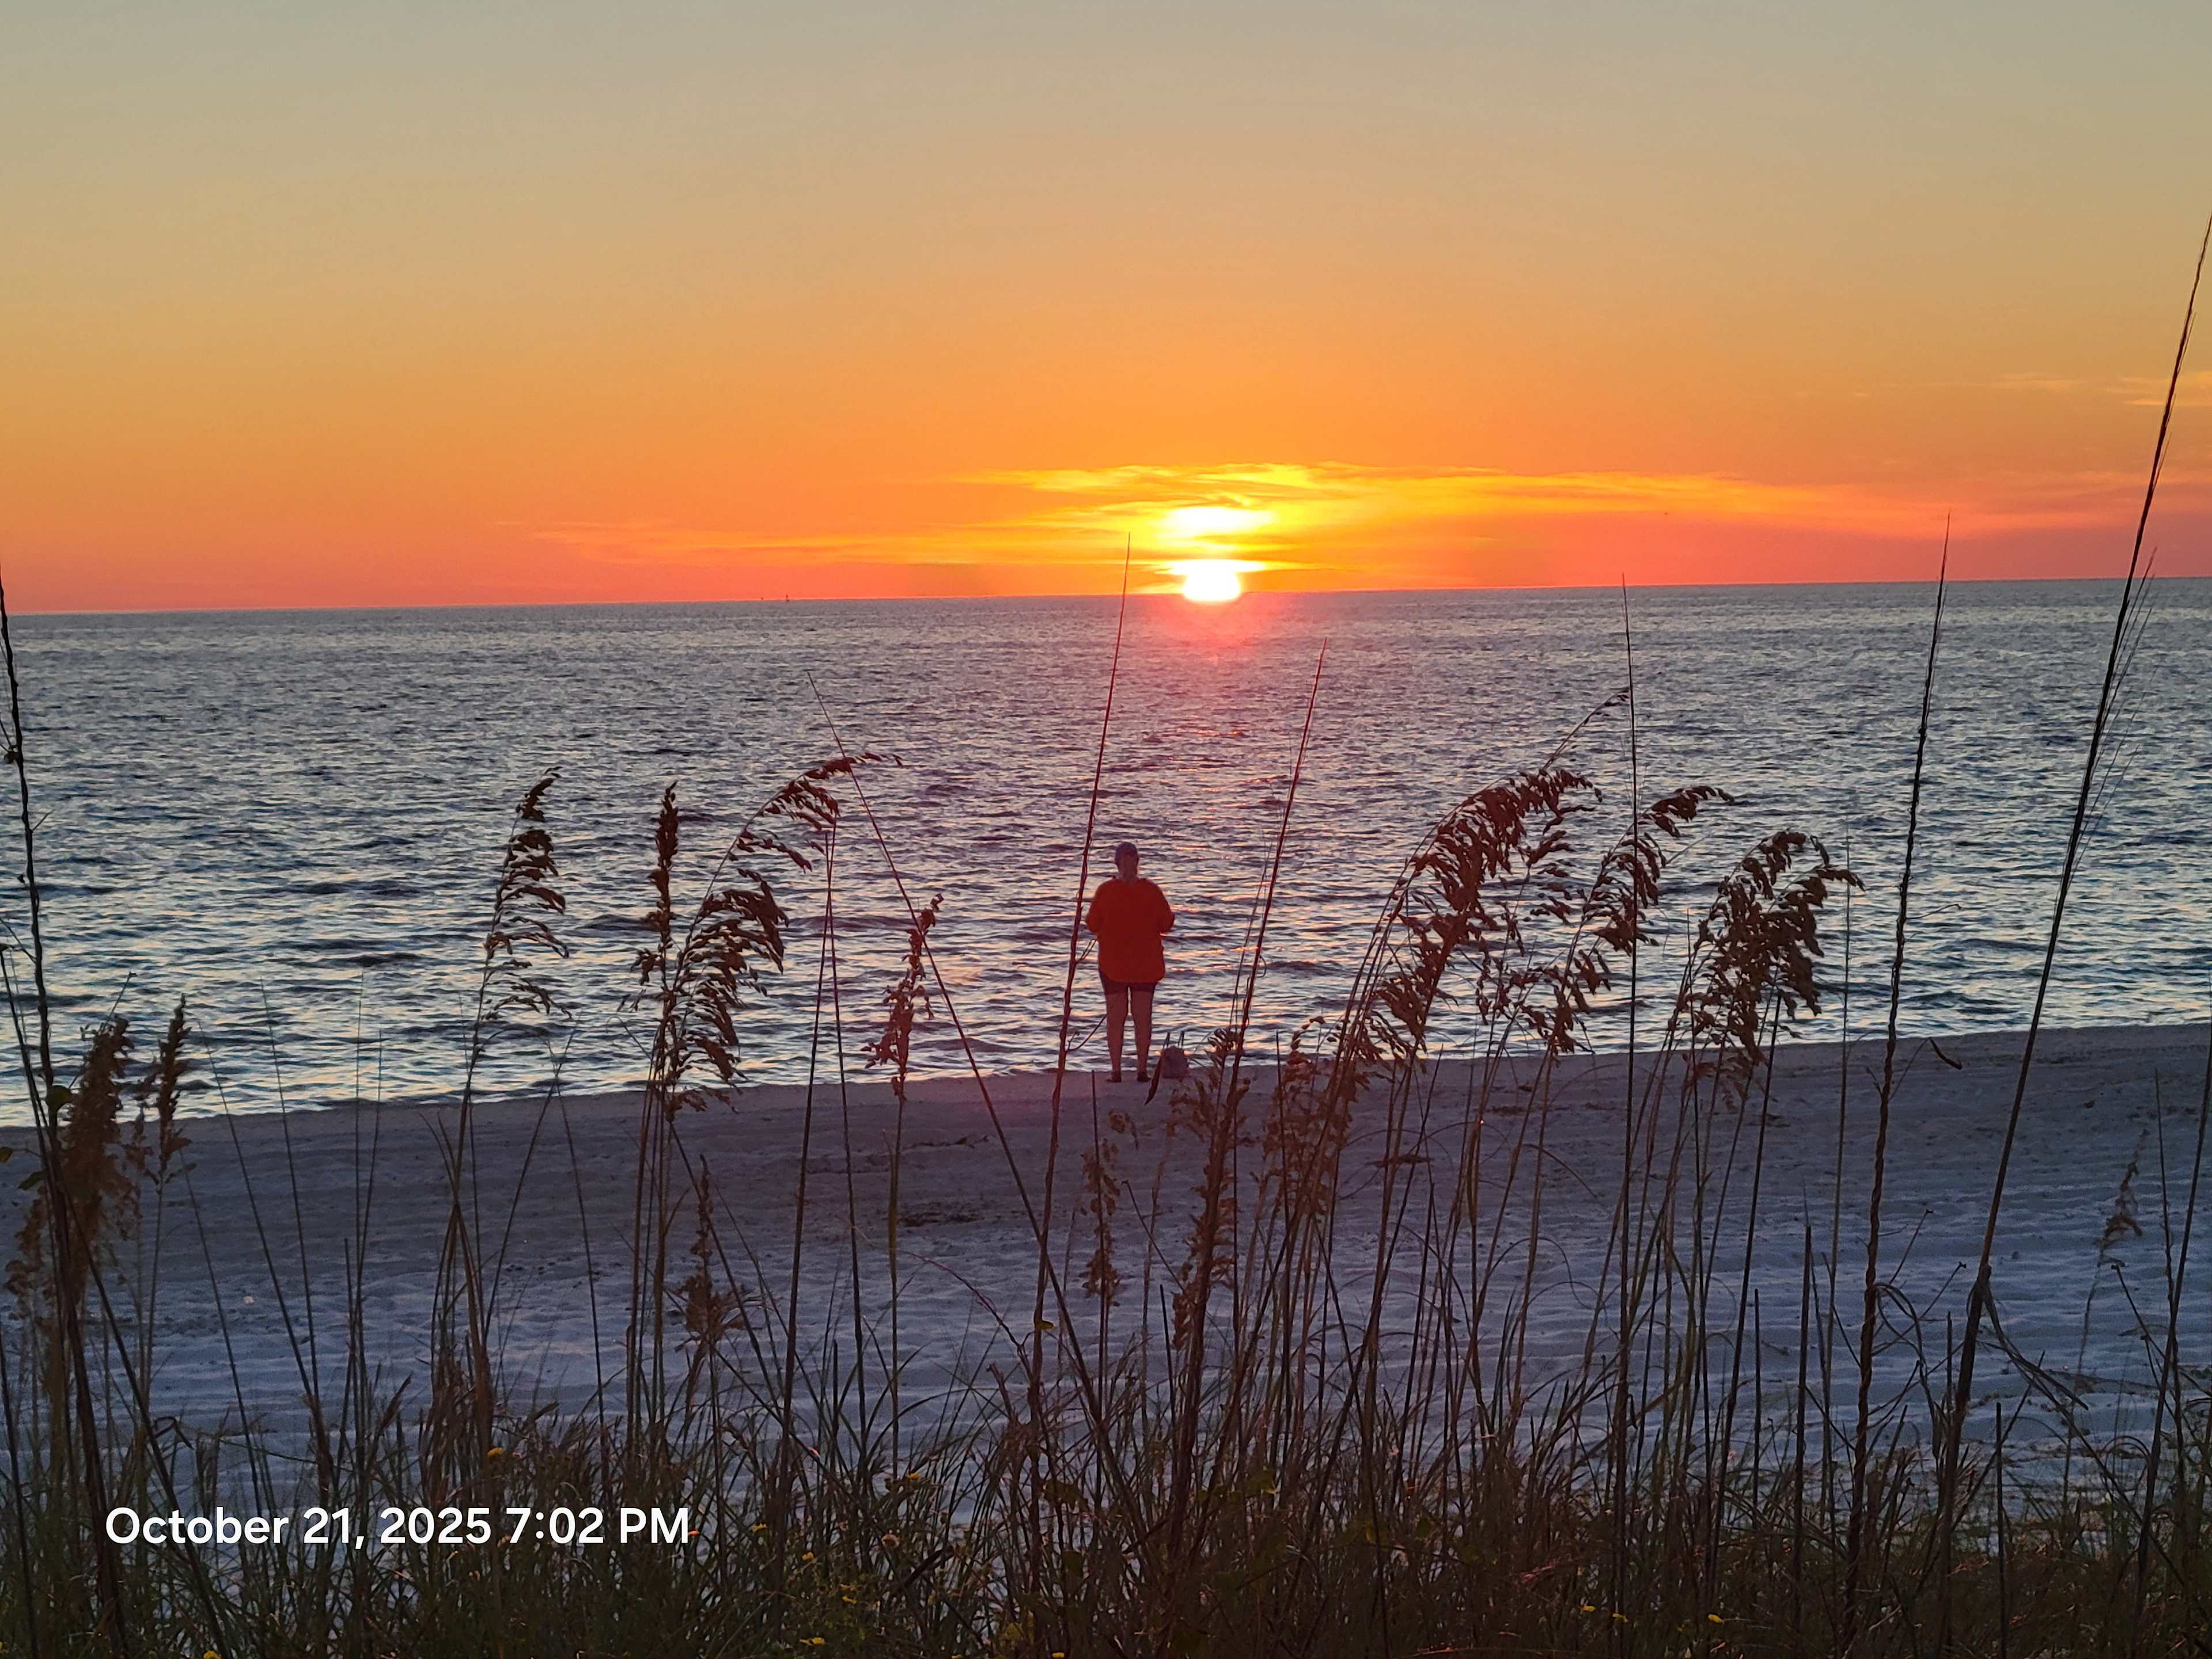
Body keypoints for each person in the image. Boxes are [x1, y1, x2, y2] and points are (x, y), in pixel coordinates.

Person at [1085, 840, 1175, 1084]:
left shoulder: (1106, 891)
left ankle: (1118, 1071)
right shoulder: (1150, 891)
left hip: (1117, 965)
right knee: (1141, 1018)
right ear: (1137, 862)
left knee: (1118, 1019)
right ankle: (1141, 1071)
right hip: (1142, 965)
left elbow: (1092, 924)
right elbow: (1167, 923)